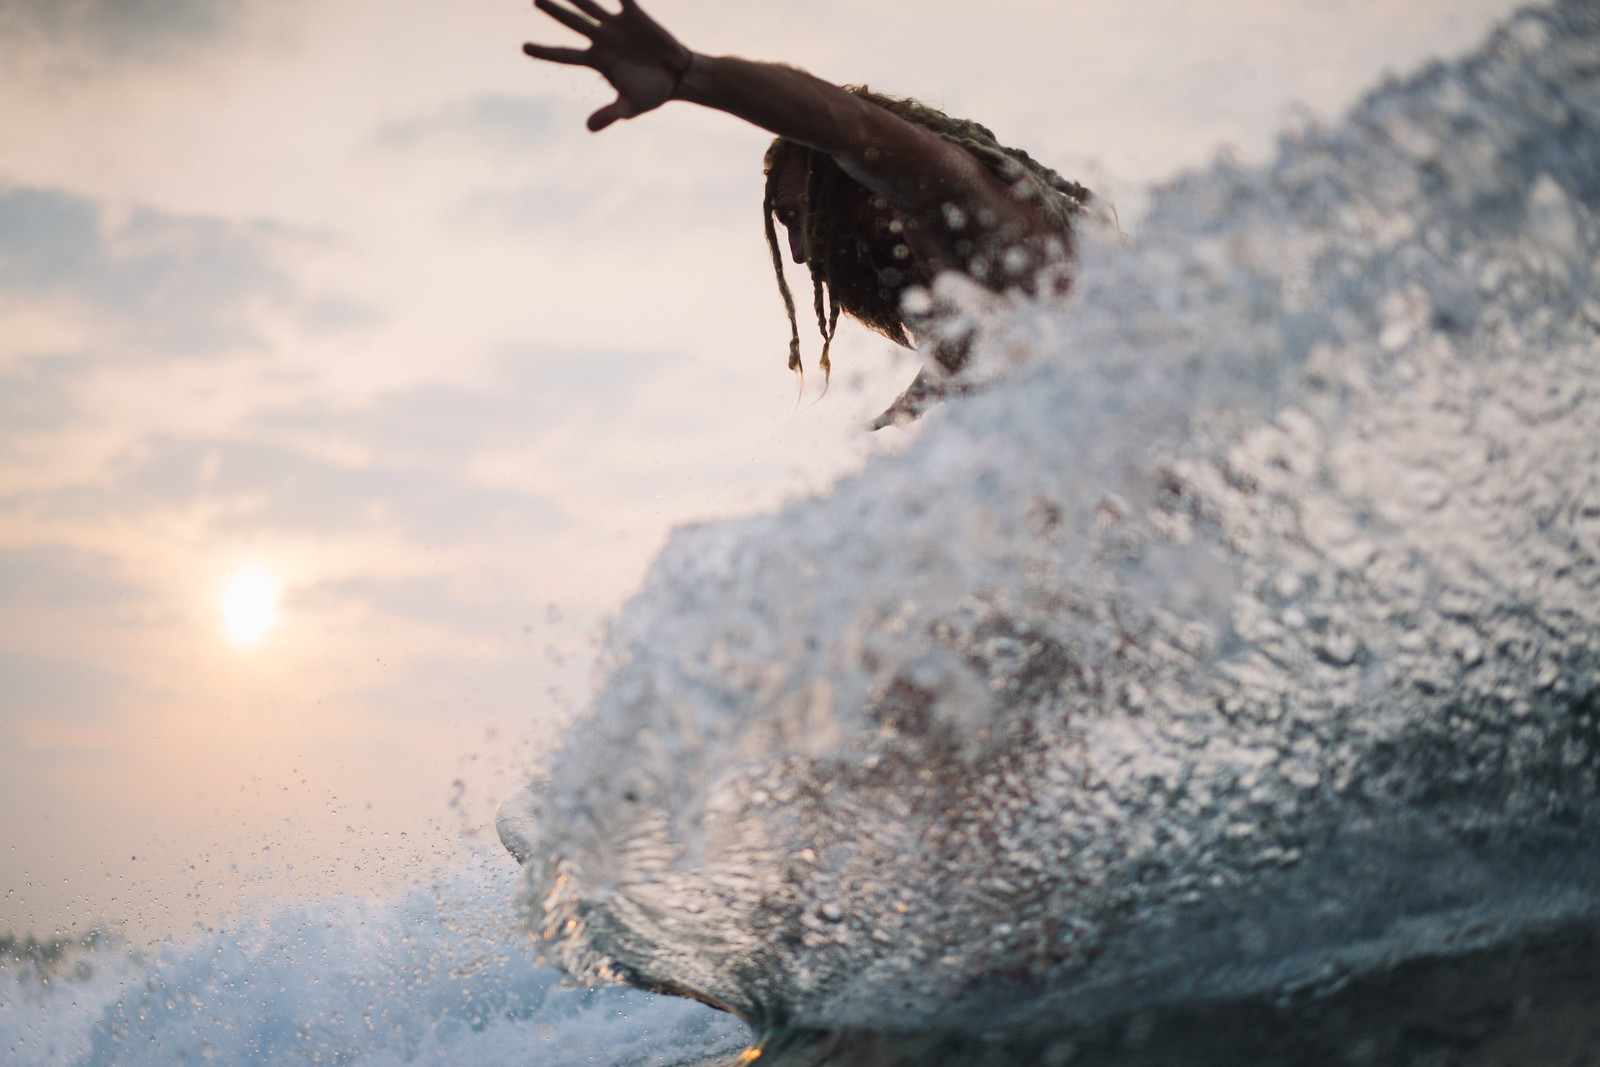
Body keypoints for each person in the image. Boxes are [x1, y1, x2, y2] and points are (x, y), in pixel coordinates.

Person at [523, 0, 1093, 427]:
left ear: (866, 187)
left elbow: (850, 125)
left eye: (802, 219)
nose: (799, 252)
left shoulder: (959, 204)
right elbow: (992, 344)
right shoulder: (945, 282)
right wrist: (913, 403)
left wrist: (694, 75)